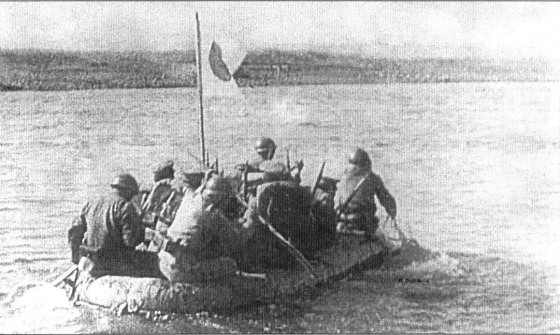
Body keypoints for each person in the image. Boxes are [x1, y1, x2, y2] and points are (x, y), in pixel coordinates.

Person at [153, 174, 257, 283]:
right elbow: (237, 239)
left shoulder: (190, 198)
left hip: (164, 262)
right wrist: (251, 214)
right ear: (221, 198)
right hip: (179, 270)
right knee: (229, 264)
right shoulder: (212, 213)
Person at [68, 173, 160, 277]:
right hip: (112, 263)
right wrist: (144, 234)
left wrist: (76, 258)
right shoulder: (125, 206)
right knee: (156, 260)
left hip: (91, 258)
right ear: (128, 191)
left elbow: (74, 232)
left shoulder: (92, 202)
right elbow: (130, 241)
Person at [333, 148, 397, 239]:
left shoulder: (344, 176)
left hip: (341, 224)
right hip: (361, 225)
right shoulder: (372, 178)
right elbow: (389, 202)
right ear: (366, 164)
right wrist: (393, 217)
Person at [142, 160, 185, 235]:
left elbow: (149, 211)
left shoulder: (161, 187)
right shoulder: (177, 187)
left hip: (160, 227)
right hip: (162, 226)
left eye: (155, 173)